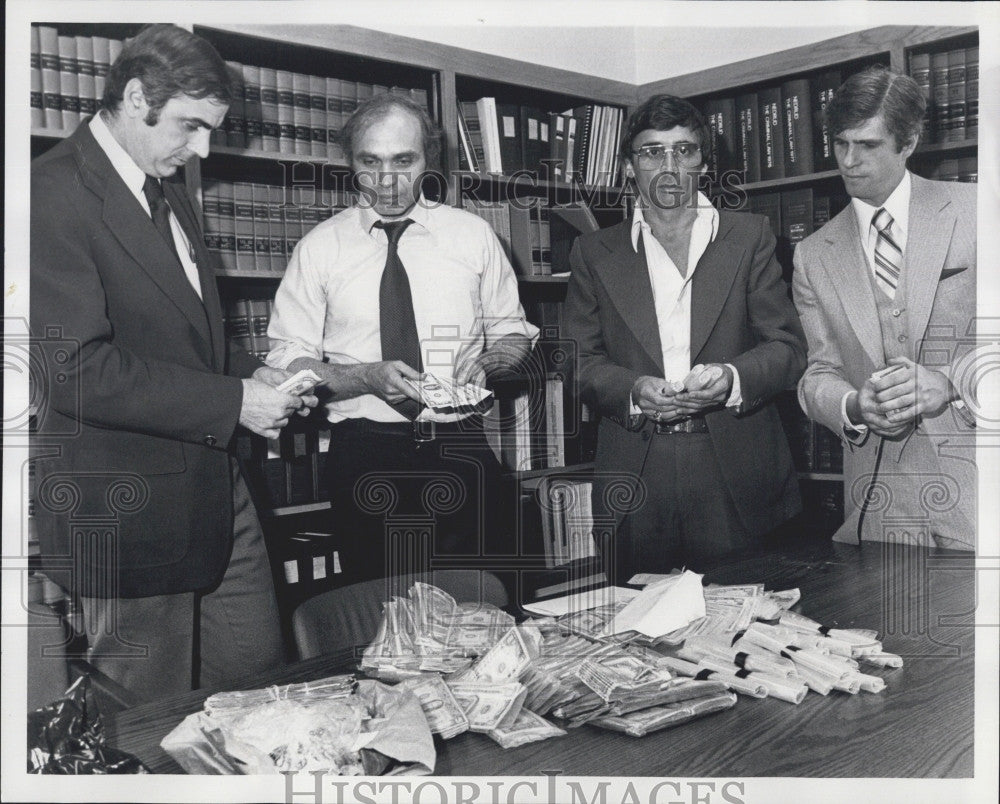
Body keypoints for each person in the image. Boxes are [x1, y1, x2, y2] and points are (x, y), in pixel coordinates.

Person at [30, 24, 315, 703]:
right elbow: (72, 369)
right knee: (148, 730)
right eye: (191, 127)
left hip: (218, 494)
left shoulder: (168, 190)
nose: (204, 150)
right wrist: (234, 403)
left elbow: (180, 342)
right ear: (135, 97)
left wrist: (251, 375)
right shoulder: (48, 194)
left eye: (211, 130)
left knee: (257, 699)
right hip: (125, 511)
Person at [266, 93, 537, 582]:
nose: (387, 181)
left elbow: (513, 332)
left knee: (489, 606)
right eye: (370, 162)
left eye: (403, 160)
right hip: (366, 454)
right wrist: (365, 378)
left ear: (427, 160)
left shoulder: (473, 236)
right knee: (386, 619)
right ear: (350, 162)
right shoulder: (318, 249)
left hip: (463, 448)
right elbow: (288, 361)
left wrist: (497, 359)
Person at [563, 94, 806, 583]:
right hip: (636, 470)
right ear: (629, 166)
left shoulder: (751, 235)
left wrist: (731, 377)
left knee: (741, 631)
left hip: (734, 469)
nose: (669, 165)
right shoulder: (593, 251)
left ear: (703, 161)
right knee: (637, 636)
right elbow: (576, 361)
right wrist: (633, 389)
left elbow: (788, 347)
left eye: (684, 150)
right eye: (652, 151)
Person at [792, 67, 977, 549]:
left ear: (909, 141)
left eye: (868, 145)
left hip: (981, 498)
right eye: (840, 144)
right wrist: (854, 405)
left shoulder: (982, 212)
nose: (849, 161)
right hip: (875, 511)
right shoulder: (813, 253)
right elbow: (817, 375)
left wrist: (951, 382)